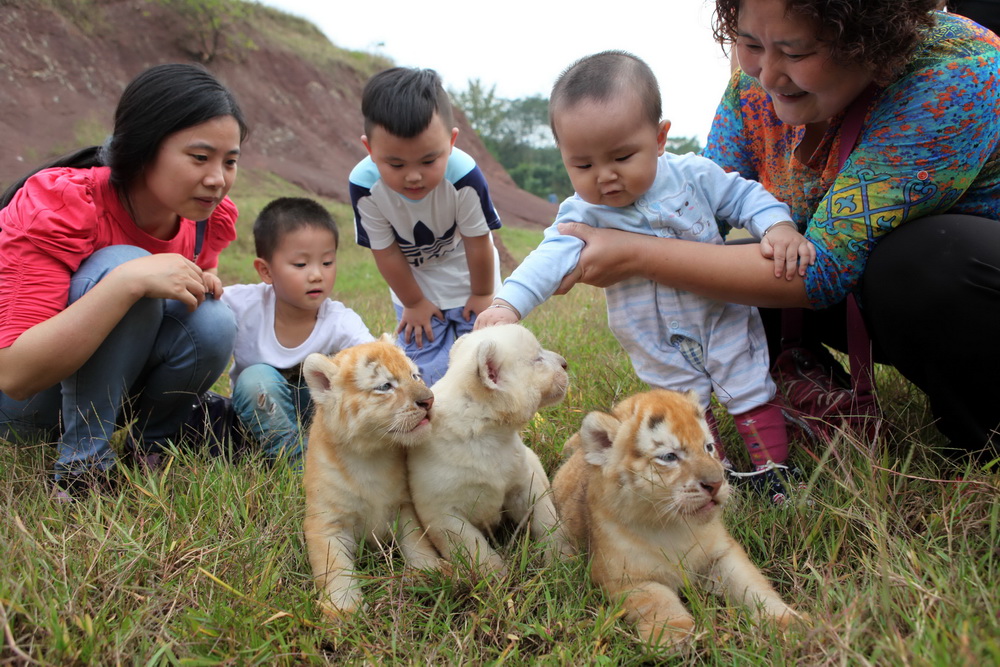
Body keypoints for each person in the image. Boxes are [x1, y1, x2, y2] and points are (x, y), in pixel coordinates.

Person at [553, 1, 1000, 457]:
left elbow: (822, 272)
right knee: (730, 260)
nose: (766, 75)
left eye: (796, 52)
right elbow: (694, 212)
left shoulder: (956, 74)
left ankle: (983, 440)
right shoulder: (751, 93)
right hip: (867, 296)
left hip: (953, 290)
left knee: (927, 258)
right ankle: (803, 388)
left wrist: (632, 253)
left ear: (869, 38)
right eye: (750, 45)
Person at [476, 52, 817, 501]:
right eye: (583, 165)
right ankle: (716, 476)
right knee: (685, 408)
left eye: (622, 156)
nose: (605, 176)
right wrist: (507, 304)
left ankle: (773, 471)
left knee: (748, 383)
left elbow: (746, 197)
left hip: (719, 313)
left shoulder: (693, 175)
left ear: (659, 138)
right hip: (652, 334)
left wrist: (777, 226)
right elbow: (547, 259)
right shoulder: (581, 214)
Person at [0, 63, 247, 497]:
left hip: (106, 396)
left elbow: (193, 298)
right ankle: (82, 470)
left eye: (230, 161)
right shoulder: (64, 203)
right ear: (145, 147)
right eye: (200, 158)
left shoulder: (203, 218)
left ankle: (151, 447)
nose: (217, 180)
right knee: (124, 265)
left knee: (212, 318)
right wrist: (126, 281)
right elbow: (16, 376)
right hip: (24, 409)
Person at [349, 67, 502, 386]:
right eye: (395, 164)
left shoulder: (464, 176)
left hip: (470, 273)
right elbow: (386, 252)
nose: (413, 176)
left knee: (486, 358)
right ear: (370, 150)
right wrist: (414, 303)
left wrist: (482, 293)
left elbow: (477, 241)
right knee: (424, 367)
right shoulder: (364, 186)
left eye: (429, 161)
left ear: (451, 141)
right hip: (413, 283)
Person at [221, 197, 374, 462]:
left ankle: (309, 458)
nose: (317, 275)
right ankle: (297, 462)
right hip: (255, 422)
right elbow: (199, 307)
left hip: (319, 426)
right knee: (255, 379)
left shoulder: (340, 322)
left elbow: (377, 358)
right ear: (266, 271)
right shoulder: (243, 305)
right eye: (301, 265)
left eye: (327, 262)